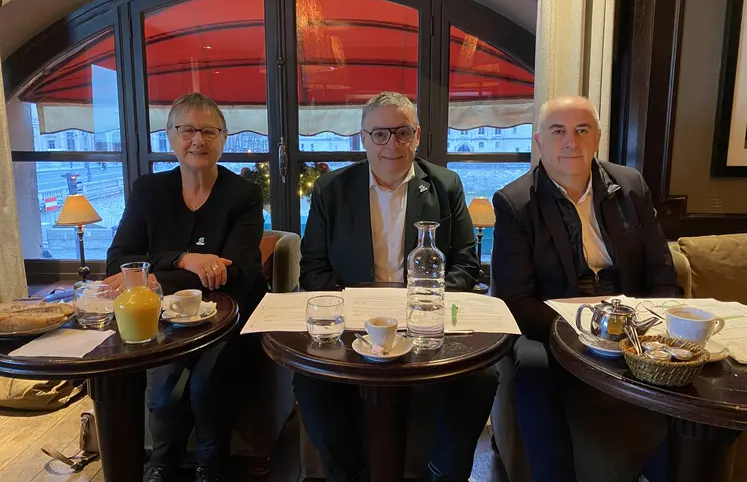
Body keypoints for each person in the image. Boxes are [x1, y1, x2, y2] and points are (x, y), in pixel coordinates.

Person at [296, 91, 497, 482]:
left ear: (417, 136)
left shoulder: (444, 185)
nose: (393, 145)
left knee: (481, 378)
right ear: (363, 138)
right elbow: (314, 269)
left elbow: (466, 265)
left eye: (403, 133)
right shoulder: (330, 189)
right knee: (310, 380)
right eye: (381, 134)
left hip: (425, 321)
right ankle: (349, 473)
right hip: (353, 327)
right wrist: (355, 312)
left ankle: (443, 473)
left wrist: (420, 306)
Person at [491, 95, 682, 482]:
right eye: (558, 131)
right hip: (553, 323)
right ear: (539, 141)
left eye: (582, 131)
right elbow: (515, 299)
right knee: (531, 368)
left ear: (597, 136)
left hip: (632, 319)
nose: (570, 142)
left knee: (689, 373)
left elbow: (663, 275)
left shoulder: (631, 186)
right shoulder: (514, 203)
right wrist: (588, 332)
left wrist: (648, 327)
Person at [105, 93, 267, 482]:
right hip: (165, 320)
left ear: (224, 138)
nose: (198, 139)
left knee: (207, 387)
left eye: (209, 131)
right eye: (187, 129)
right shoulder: (149, 190)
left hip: (233, 316)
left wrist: (153, 272)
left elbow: (234, 271)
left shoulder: (243, 194)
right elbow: (118, 263)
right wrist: (184, 259)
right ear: (170, 136)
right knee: (162, 394)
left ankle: (210, 468)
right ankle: (162, 465)